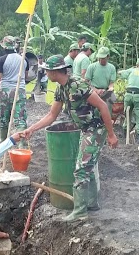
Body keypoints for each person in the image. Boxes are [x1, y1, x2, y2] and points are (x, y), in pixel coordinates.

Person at [21, 55, 118, 221]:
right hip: (86, 129)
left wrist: (111, 134)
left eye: (47, 70)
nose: (45, 72)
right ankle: (92, 203)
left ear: (55, 71)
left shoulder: (77, 85)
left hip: (96, 129)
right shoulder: (61, 88)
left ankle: (80, 211)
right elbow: (52, 115)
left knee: (81, 168)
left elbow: (103, 106)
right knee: (88, 165)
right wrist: (32, 129)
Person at [0, 35, 29, 146]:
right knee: (20, 118)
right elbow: (25, 77)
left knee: (3, 118)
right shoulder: (24, 60)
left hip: (5, 92)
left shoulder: (1, 60)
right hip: (19, 91)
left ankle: (3, 141)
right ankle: (22, 145)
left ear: (4, 47)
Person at [119, 57, 139, 143]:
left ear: (137, 64)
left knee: (127, 114)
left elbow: (120, 73)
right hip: (138, 95)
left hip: (128, 95)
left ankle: (125, 131)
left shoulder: (131, 71)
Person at [85, 47, 116, 111]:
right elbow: (86, 82)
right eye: (99, 58)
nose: (100, 60)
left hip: (106, 91)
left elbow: (111, 83)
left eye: (103, 58)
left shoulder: (111, 68)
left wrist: (110, 88)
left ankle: (108, 119)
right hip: (93, 90)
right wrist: (95, 90)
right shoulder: (92, 67)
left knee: (111, 102)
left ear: (108, 57)